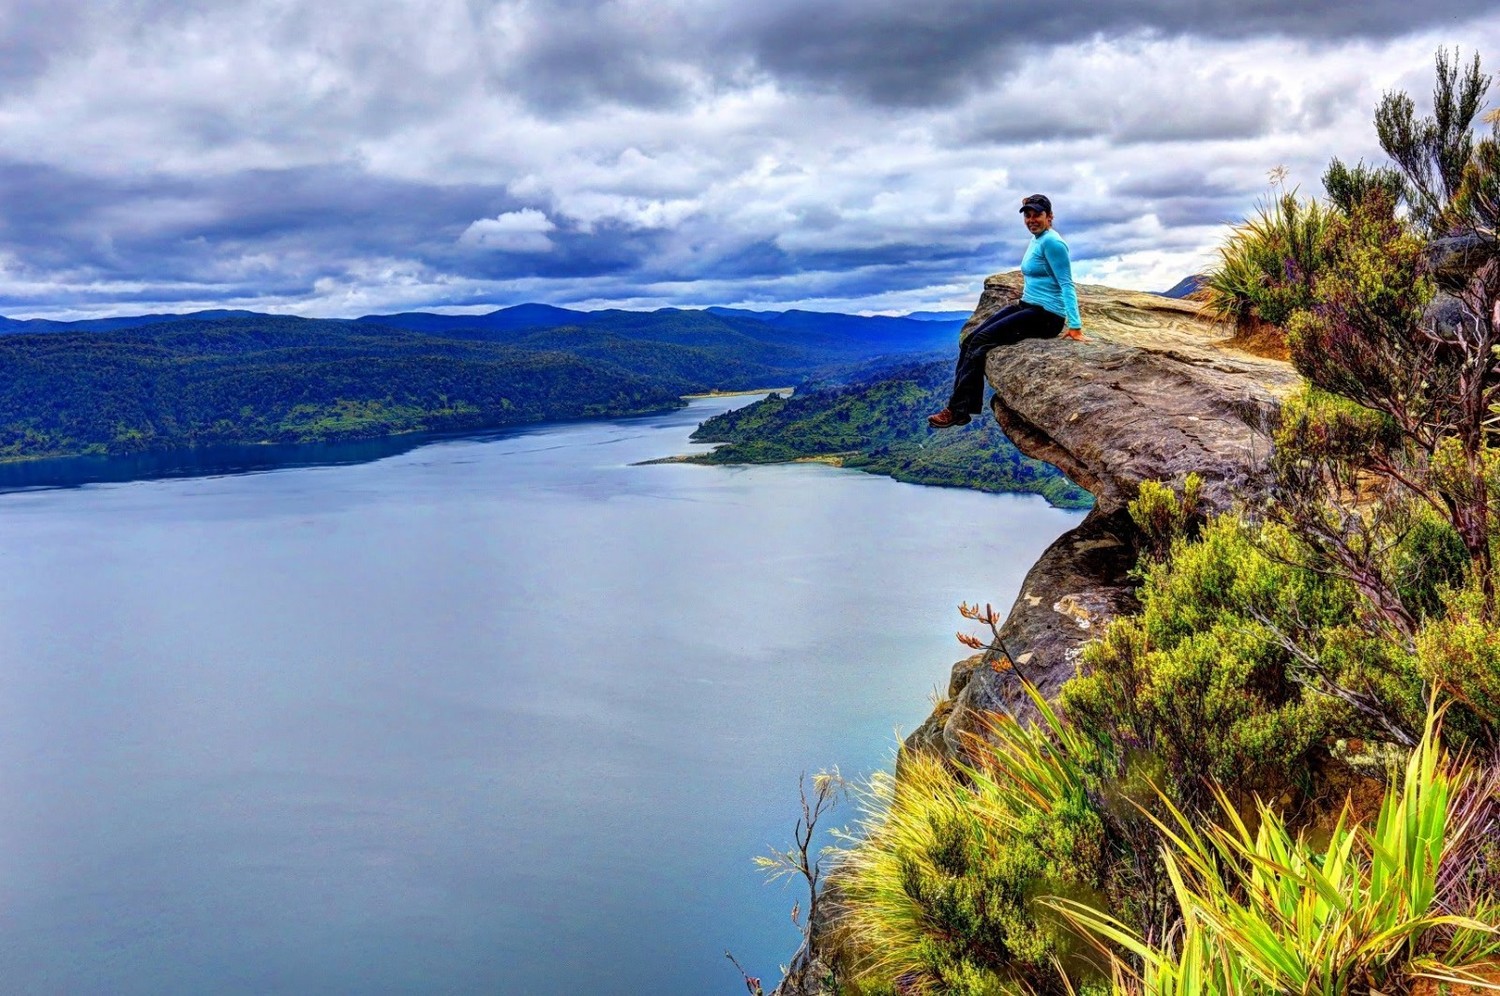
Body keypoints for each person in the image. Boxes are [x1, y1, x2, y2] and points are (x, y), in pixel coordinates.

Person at [927, 193, 1084, 428]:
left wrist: (1075, 326)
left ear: (1049, 216)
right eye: (1027, 215)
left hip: (1047, 316)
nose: (1031, 220)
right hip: (1028, 305)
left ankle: (958, 411)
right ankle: (959, 408)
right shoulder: (1037, 239)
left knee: (981, 341)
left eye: (1037, 215)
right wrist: (1027, 201)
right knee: (970, 339)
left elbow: (1066, 284)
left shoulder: (1053, 243)